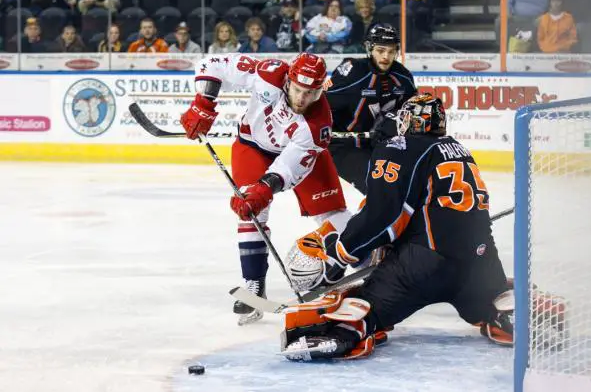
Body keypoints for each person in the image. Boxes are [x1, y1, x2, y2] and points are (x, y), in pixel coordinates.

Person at [280, 95, 566, 361]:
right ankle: (504, 316)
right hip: (481, 263)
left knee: (364, 303)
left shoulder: (401, 147)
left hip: (424, 265)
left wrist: (341, 254)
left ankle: (347, 333)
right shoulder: (459, 149)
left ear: (414, 121)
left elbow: (383, 217)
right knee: (485, 300)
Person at [178, 52, 353, 325]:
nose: (302, 99)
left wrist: (264, 189)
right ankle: (254, 285)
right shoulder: (268, 73)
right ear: (288, 81)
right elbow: (212, 64)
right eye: (298, 90)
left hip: (297, 158)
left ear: (321, 90)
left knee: (335, 215)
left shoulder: (318, 125)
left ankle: (366, 263)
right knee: (251, 214)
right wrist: (203, 103)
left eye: (311, 93)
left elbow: (289, 166)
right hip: (252, 146)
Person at [326, 23, 416, 194]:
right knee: (379, 188)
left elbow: (411, 110)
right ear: (370, 48)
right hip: (344, 145)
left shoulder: (403, 77)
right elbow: (322, 101)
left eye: (391, 51)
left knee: (407, 185)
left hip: (379, 146)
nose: (386, 56)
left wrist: (393, 123)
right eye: (381, 50)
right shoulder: (353, 71)